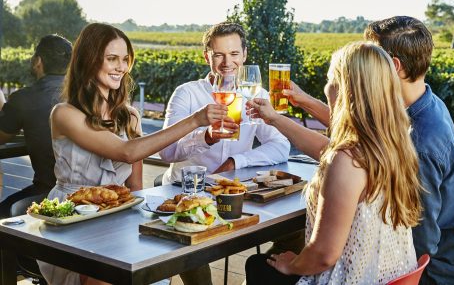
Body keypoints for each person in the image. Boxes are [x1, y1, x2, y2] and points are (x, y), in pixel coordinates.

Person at [279, 16, 454, 285]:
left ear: (394, 66)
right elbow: (360, 133)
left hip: (442, 272)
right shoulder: (425, 104)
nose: (368, 63)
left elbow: (421, 240)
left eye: (373, 55)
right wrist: (303, 104)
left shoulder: (419, 140)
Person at [37, 23, 226, 285]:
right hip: (71, 219)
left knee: (163, 260)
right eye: (112, 59)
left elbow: (135, 189)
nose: (121, 67)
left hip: (117, 215)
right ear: (89, 60)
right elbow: (127, 152)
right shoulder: (65, 114)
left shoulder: (130, 116)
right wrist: (195, 120)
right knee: (105, 278)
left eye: (125, 59)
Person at [245, 42, 422, 284]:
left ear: (345, 90)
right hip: (387, 275)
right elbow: (326, 150)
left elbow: (324, 255)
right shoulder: (392, 144)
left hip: (350, 278)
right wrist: (275, 119)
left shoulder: (348, 160)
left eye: (330, 80)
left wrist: (293, 265)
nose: (326, 87)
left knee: (258, 265)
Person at [158, 22, 290, 285]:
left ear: (244, 55)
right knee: (190, 251)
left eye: (233, 54)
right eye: (218, 54)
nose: (226, 62)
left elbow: (281, 145)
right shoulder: (187, 94)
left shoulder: (255, 93)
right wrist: (204, 137)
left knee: (294, 233)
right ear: (206, 56)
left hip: (234, 194)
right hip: (186, 192)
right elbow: (167, 153)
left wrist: (236, 161)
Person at [0, 34, 72, 218]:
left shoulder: (23, 99)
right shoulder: (86, 96)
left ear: (38, 61)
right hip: (90, 196)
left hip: (49, 193)